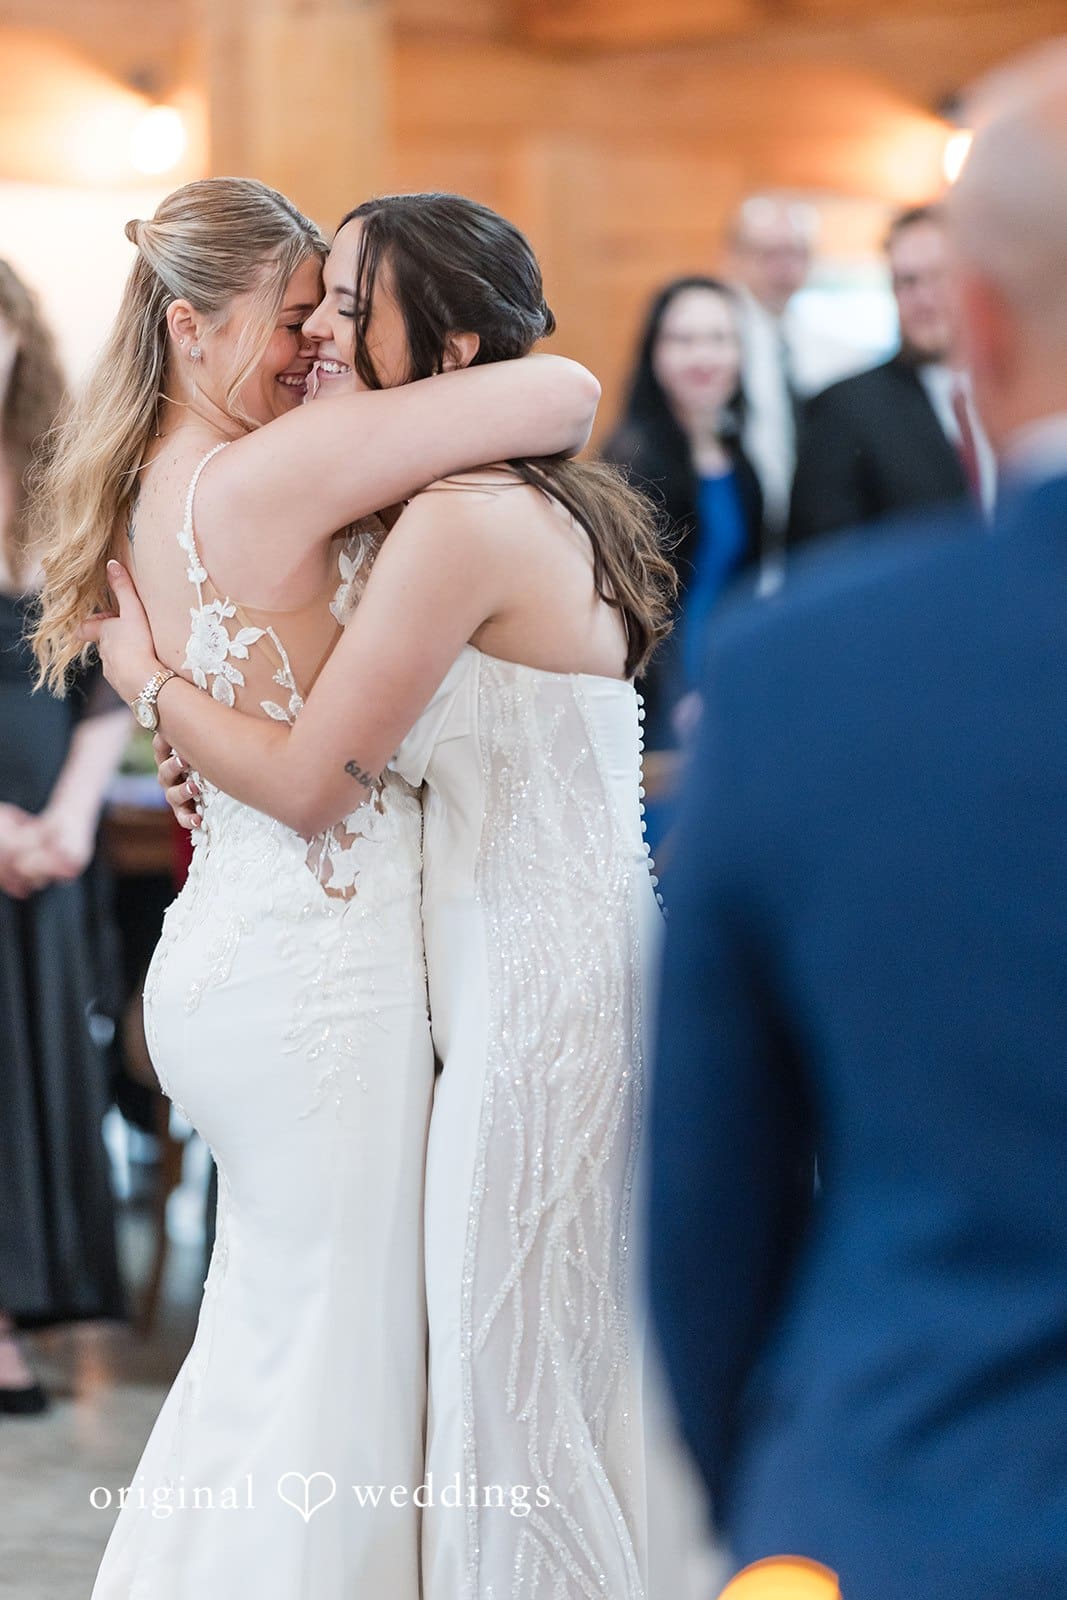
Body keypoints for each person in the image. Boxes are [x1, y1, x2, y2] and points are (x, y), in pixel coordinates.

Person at [85, 192, 671, 1600]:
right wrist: (189, 721)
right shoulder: (305, 478)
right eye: (298, 314)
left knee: (352, 1361)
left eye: (340, 310)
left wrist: (160, 698)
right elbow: (322, 767)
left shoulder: (357, 497)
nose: (317, 345)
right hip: (326, 975)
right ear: (189, 326)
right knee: (348, 1366)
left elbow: (319, 755)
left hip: (384, 963)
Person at [649, 43, 1067, 1600]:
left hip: (919, 1504)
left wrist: (783, 1505)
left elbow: (708, 1203)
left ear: (975, 317)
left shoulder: (808, 678)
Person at [0, 261, 129, 1416]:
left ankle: (13, 1307)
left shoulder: (56, 482)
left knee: (34, 1067)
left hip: (46, 838)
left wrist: (74, 813)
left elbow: (110, 676)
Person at [603, 276, 764, 756]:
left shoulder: (737, 457)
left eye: (719, 338)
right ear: (654, 352)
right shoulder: (633, 460)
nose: (703, 356)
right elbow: (627, 608)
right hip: (655, 701)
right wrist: (677, 696)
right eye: (683, 339)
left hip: (724, 684)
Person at [789, 204, 996, 546]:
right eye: (907, 282)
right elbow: (823, 559)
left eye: (939, 277)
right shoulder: (845, 408)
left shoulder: (1021, 392)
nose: (924, 298)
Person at [725, 196, 818, 535]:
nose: (784, 267)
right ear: (736, 257)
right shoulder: (716, 342)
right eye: (770, 253)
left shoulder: (829, 345)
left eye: (796, 253)